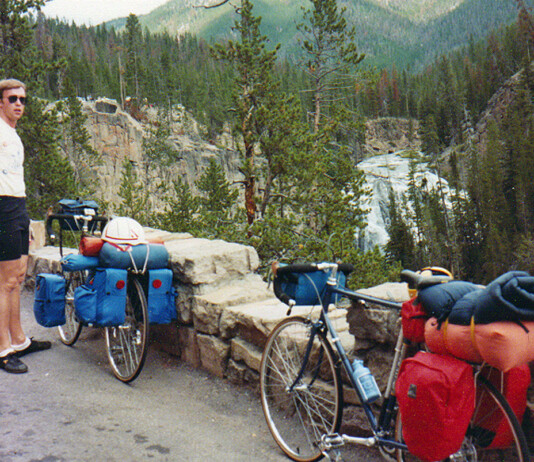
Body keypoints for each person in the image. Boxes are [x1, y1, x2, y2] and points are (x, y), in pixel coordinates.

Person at [0, 78, 50, 374]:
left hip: (18, 208)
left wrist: (26, 219)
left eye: (23, 99)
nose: (19, 104)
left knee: (18, 278)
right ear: (0, 102)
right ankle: (2, 349)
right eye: (12, 99)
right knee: (4, 282)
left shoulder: (13, 134)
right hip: (2, 209)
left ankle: (18, 340)